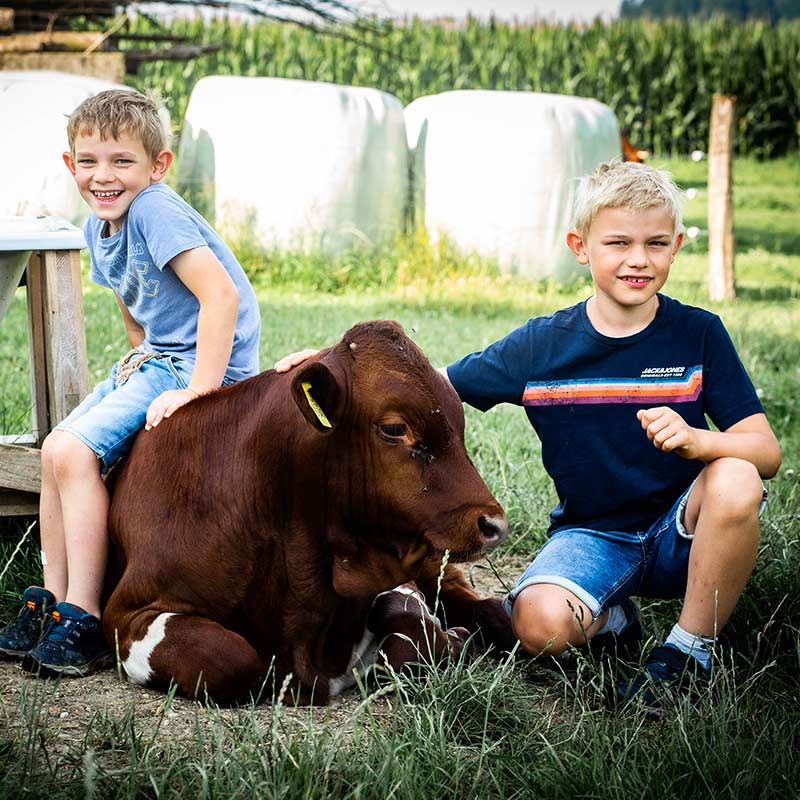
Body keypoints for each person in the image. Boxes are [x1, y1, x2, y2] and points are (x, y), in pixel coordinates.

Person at [274, 160, 781, 709]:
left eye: (656, 243)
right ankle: (613, 618)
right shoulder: (543, 346)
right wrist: (339, 370)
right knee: (536, 626)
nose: (638, 259)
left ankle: (688, 652)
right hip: (593, 537)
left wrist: (699, 441)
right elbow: (431, 387)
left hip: (685, 528)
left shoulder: (699, 333)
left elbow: (766, 451)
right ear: (580, 246)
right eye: (618, 243)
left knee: (736, 478)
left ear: (677, 246)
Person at [0, 89, 261, 677]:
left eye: (122, 161)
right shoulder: (99, 227)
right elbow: (132, 297)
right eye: (89, 161)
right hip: (162, 356)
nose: (104, 176)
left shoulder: (154, 210)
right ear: (70, 166)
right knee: (53, 451)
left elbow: (219, 296)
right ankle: (49, 599)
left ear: (157, 166)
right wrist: (140, 353)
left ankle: (85, 615)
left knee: (73, 450)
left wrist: (201, 389)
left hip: (202, 361)